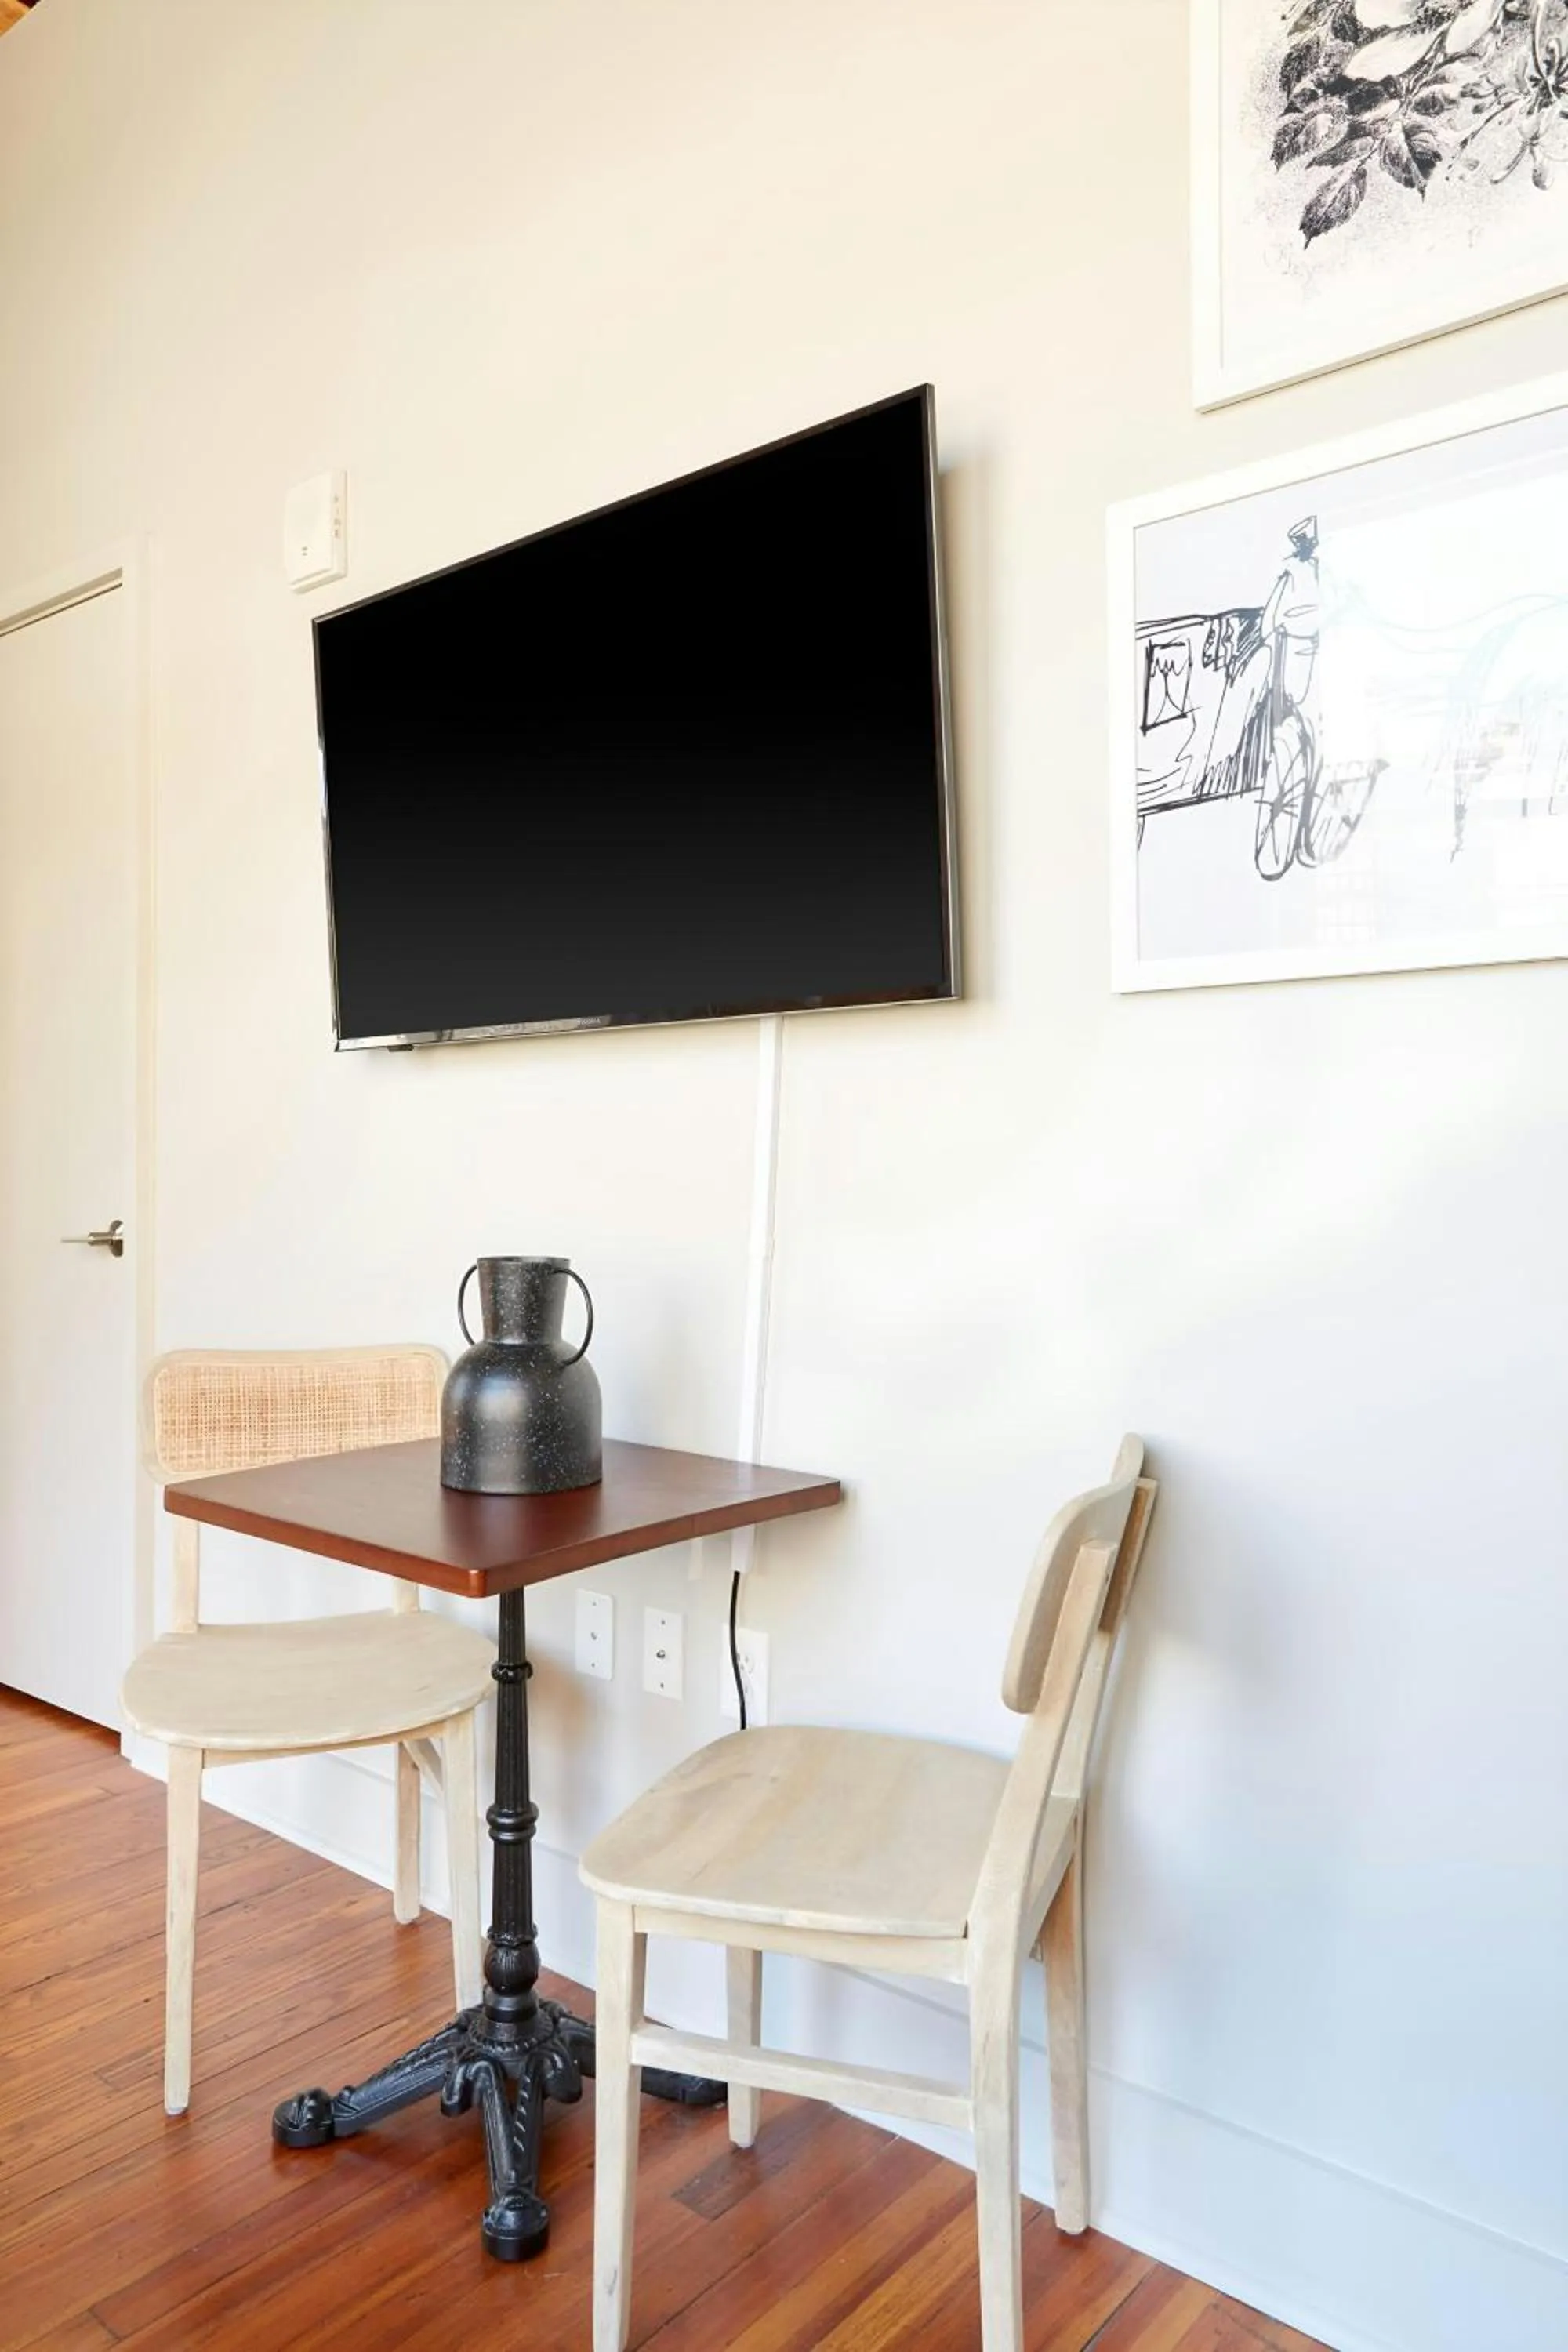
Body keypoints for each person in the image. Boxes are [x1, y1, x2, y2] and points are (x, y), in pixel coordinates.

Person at [1261, 514, 1321, 713]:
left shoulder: (1319, 568)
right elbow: (1273, 611)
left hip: (1316, 639)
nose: (1304, 547)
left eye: (1306, 543)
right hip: (1293, 641)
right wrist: (1269, 632)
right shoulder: (1290, 569)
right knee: (1295, 695)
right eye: (1301, 543)